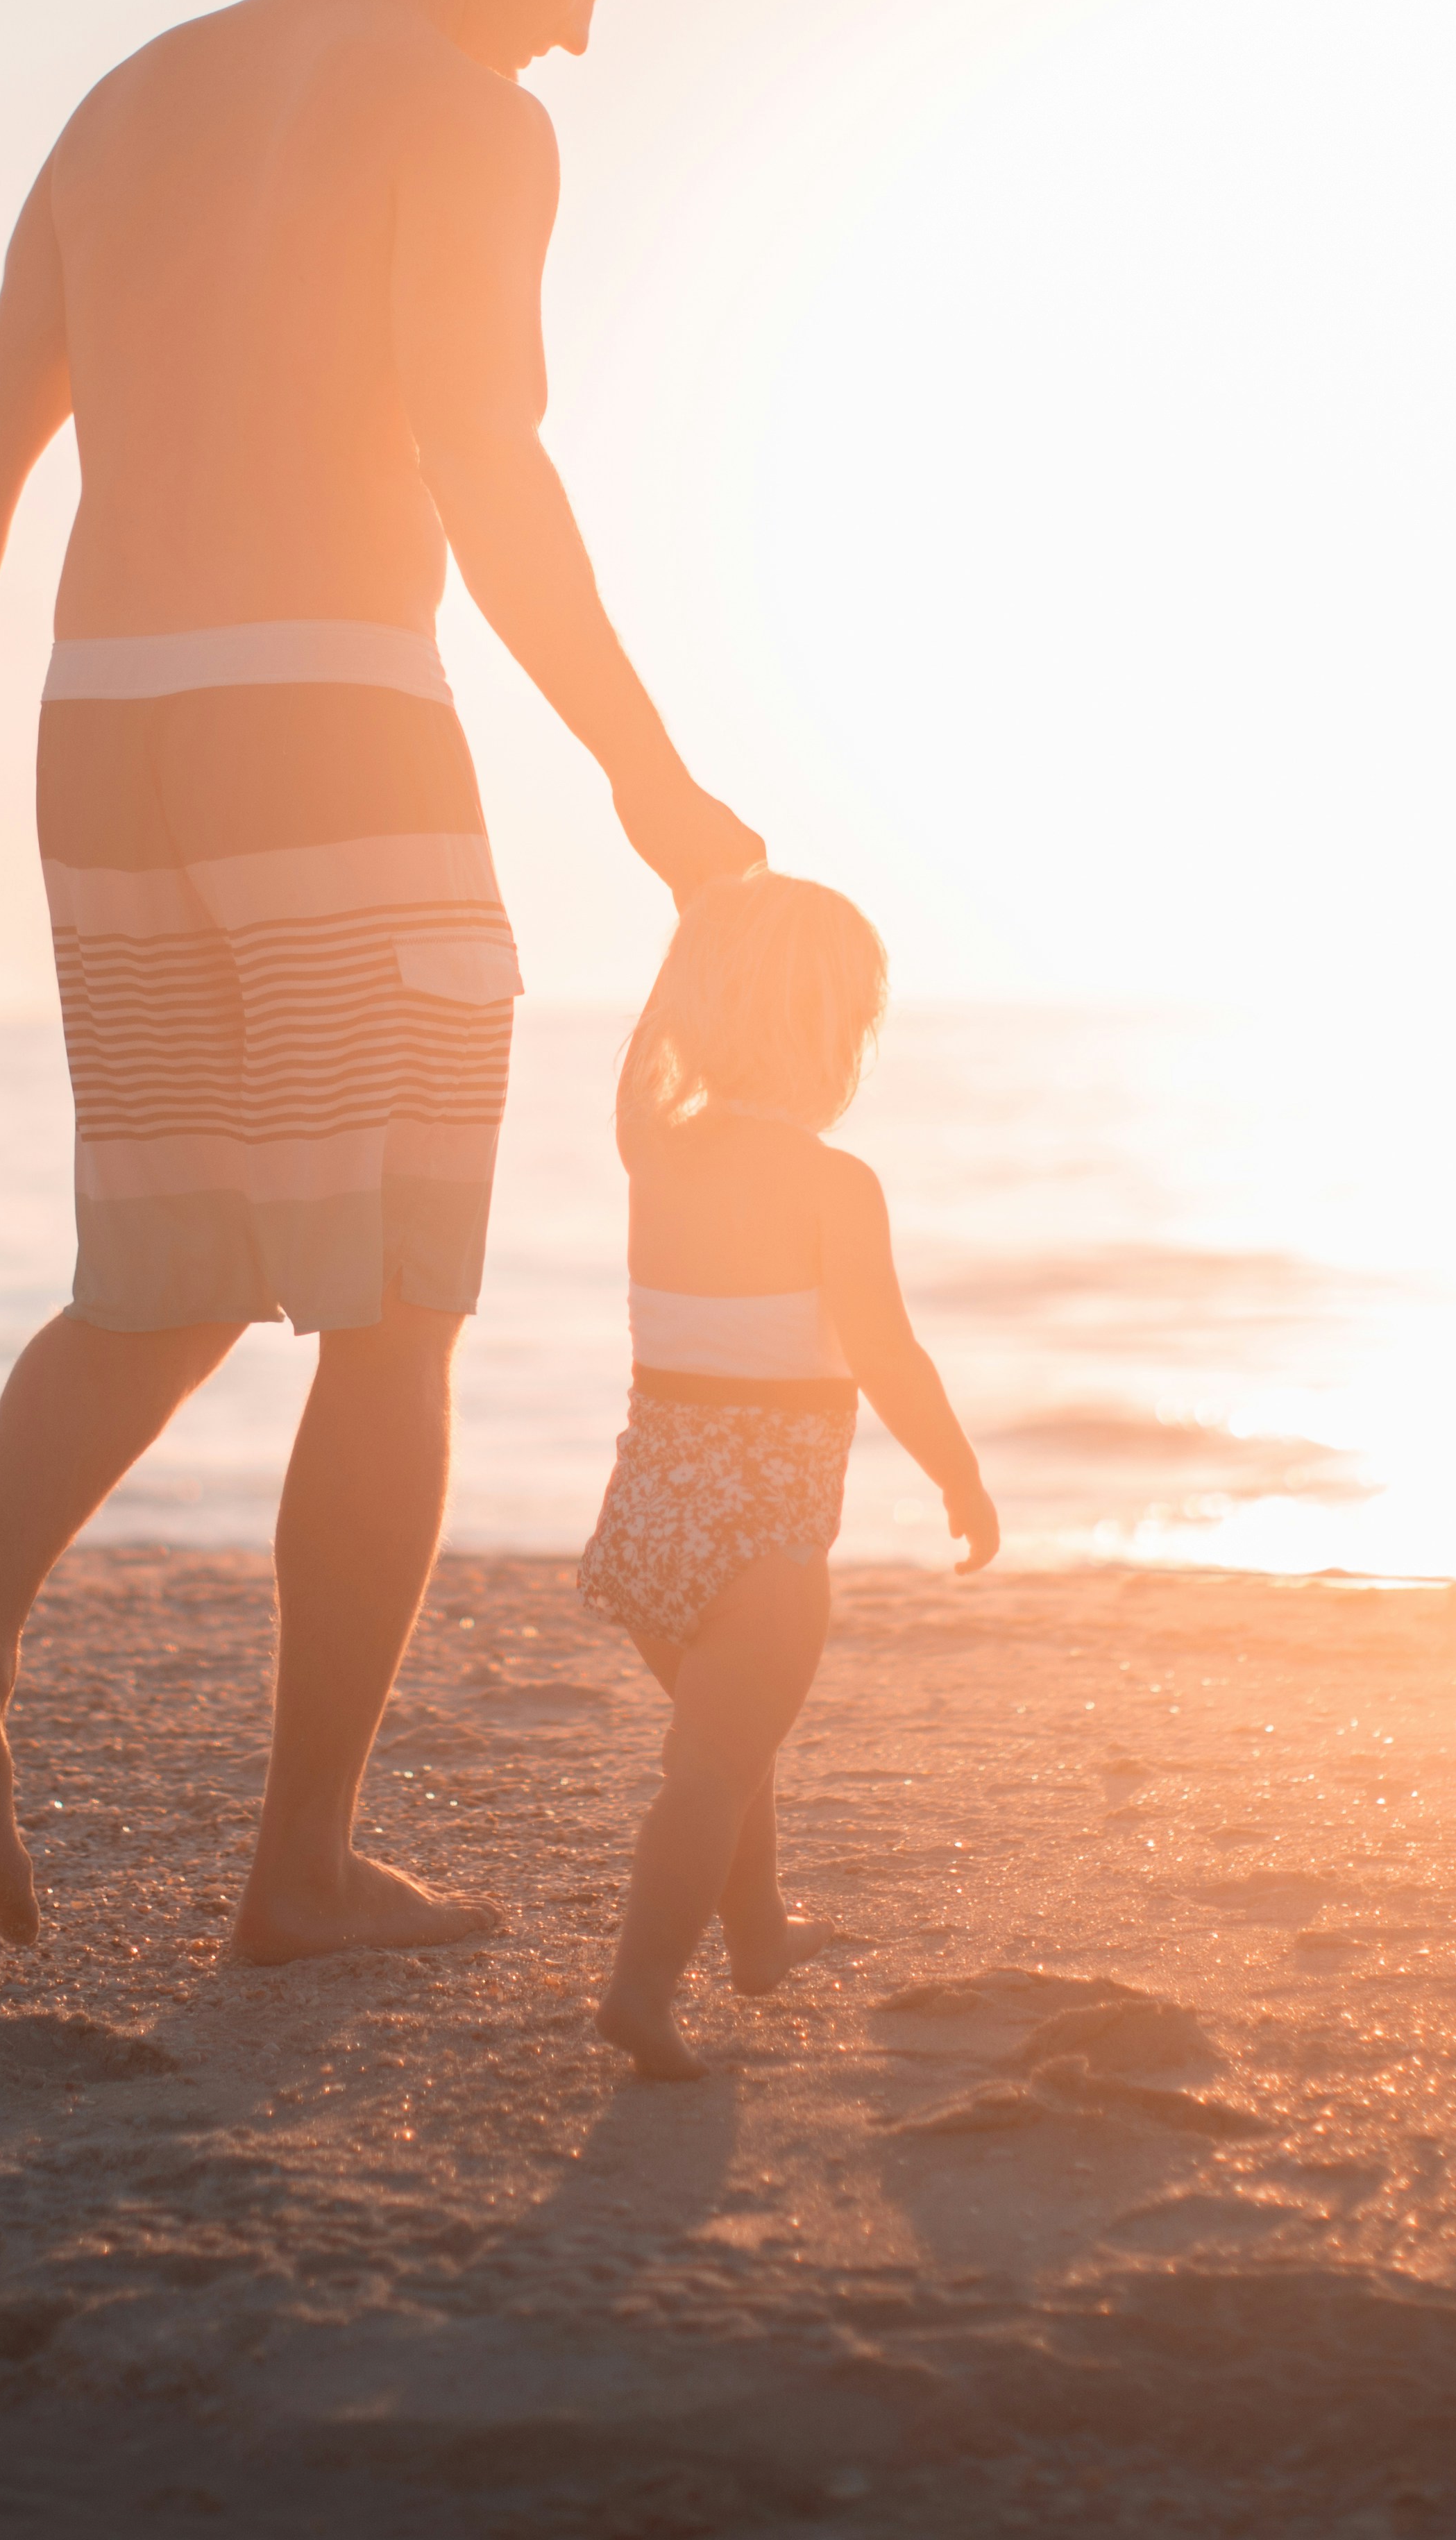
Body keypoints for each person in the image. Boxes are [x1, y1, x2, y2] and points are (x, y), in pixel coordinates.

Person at [0, 0, 764, 1964]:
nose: (580, 29)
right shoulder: (462, 113)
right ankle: (298, 1874)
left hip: (105, 735)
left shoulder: (134, 95)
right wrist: (648, 776)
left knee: (163, 1277)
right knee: (395, 1307)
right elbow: (486, 464)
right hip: (333, 728)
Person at [579, 873, 999, 2079]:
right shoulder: (834, 1185)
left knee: (728, 1742)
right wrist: (959, 1476)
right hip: (765, 1530)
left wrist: (694, 929)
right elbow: (888, 1356)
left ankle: (757, 1934)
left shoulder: (653, 1146)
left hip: (649, 1519)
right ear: (837, 1040)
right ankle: (641, 1992)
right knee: (710, 1770)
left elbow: (644, 1048)